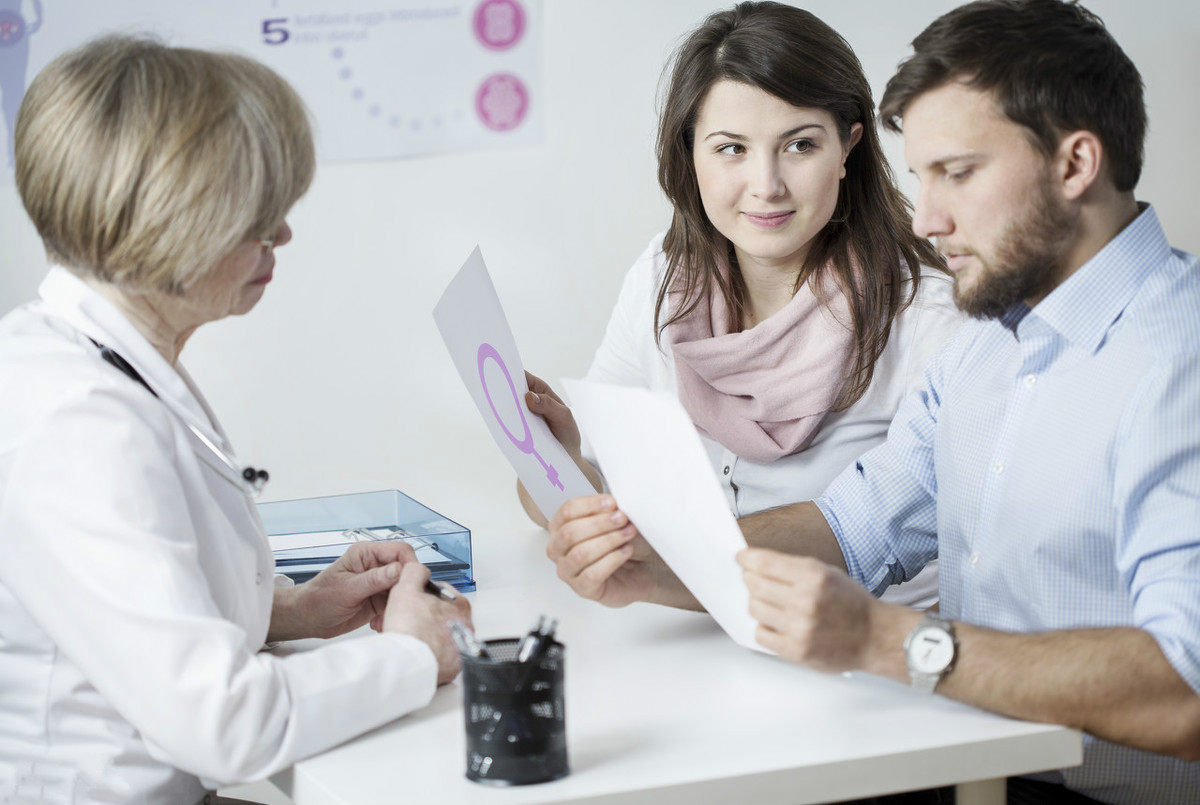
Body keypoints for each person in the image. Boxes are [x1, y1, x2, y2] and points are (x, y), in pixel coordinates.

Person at [553, 0, 1200, 802]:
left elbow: (1188, 688)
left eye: (957, 173)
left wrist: (888, 639)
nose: (926, 220)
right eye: (921, 177)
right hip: (970, 772)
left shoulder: (1179, 364)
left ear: (1074, 166)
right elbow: (849, 528)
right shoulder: (986, 339)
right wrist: (656, 566)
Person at [0, 36, 471, 805]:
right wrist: (416, 654)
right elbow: (221, 722)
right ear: (163, 219)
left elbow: (134, 610)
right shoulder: (76, 425)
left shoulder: (98, 358)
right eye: (255, 213)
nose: (281, 234)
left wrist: (296, 608)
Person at [525, 1, 963, 610]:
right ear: (691, 152)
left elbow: (903, 535)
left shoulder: (926, 319)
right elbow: (584, 498)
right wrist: (560, 461)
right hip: (709, 651)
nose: (766, 185)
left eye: (800, 145)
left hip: (869, 661)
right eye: (731, 148)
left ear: (848, 147)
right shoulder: (663, 279)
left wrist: (657, 571)